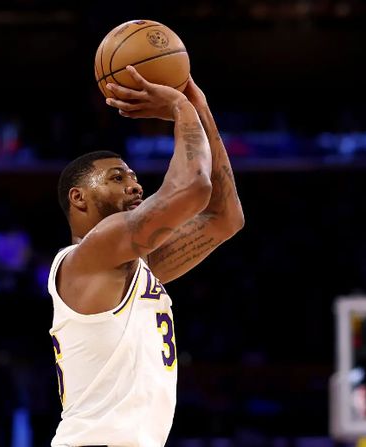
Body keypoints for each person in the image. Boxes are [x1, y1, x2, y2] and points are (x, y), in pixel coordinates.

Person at [48, 65, 244, 447]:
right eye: (117, 178)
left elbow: (226, 218)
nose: (135, 185)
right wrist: (178, 106)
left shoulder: (134, 267)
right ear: (78, 198)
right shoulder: (91, 253)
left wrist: (200, 106)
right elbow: (193, 188)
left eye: (134, 176)